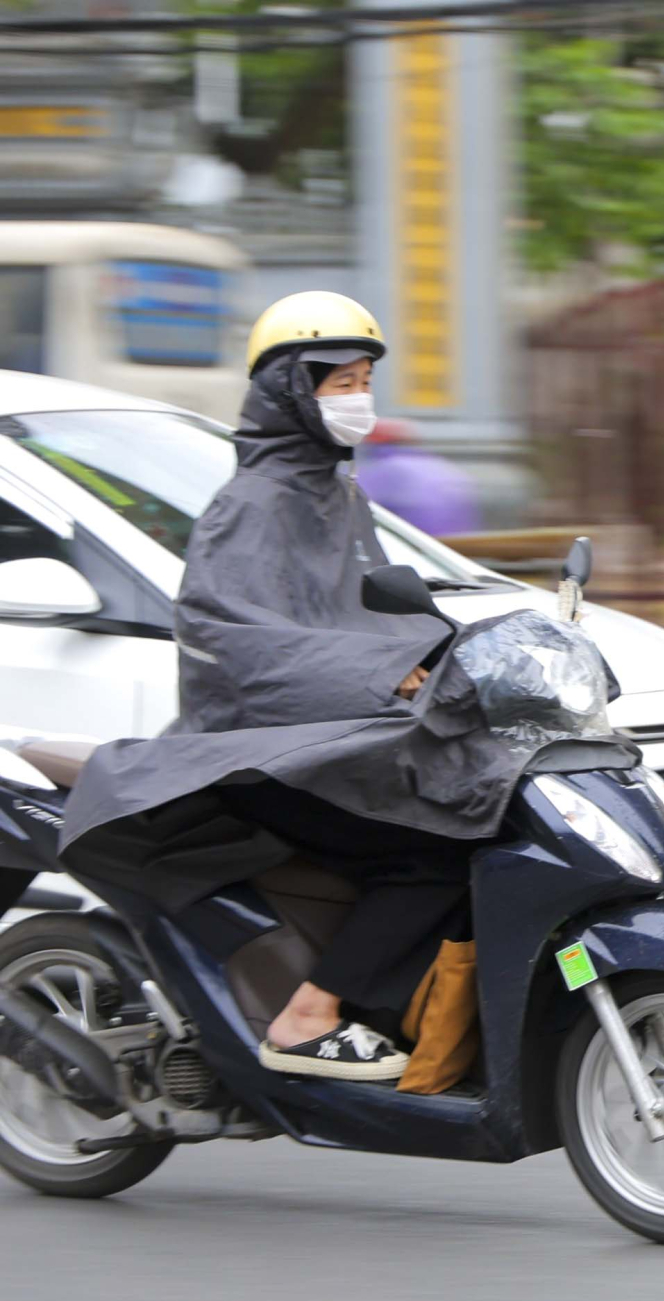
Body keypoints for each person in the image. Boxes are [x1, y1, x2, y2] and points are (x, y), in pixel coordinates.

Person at [178, 291, 463, 1082]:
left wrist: (454, 655)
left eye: (365, 378)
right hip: (256, 750)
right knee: (435, 848)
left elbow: (374, 607)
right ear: (289, 389)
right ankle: (308, 1016)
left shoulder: (339, 496)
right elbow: (235, 642)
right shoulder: (249, 506)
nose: (358, 398)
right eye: (339, 381)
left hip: (336, 735)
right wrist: (376, 670)